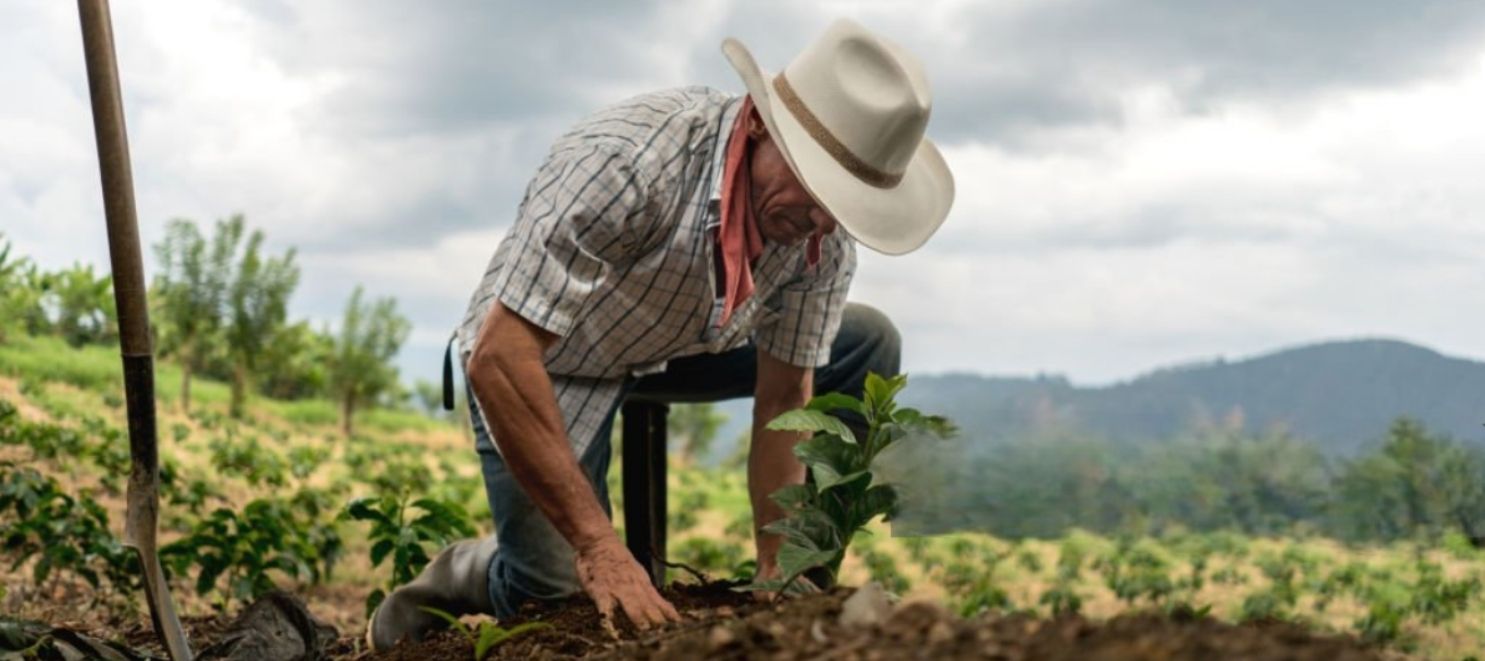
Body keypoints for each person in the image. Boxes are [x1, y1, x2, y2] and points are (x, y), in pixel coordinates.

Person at [368, 17, 954, 649]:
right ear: (759, 124)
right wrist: (599, 547)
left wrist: (777, 574)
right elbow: (500, 356)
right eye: (815, 190)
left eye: (840, 207)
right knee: (557, 592)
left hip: (682, 343)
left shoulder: (819, 236)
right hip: (550, 356)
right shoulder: (627, 164)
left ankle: (805, 582)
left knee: (867, 340)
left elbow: (787, 398)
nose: (819, 223)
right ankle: (468, 570)